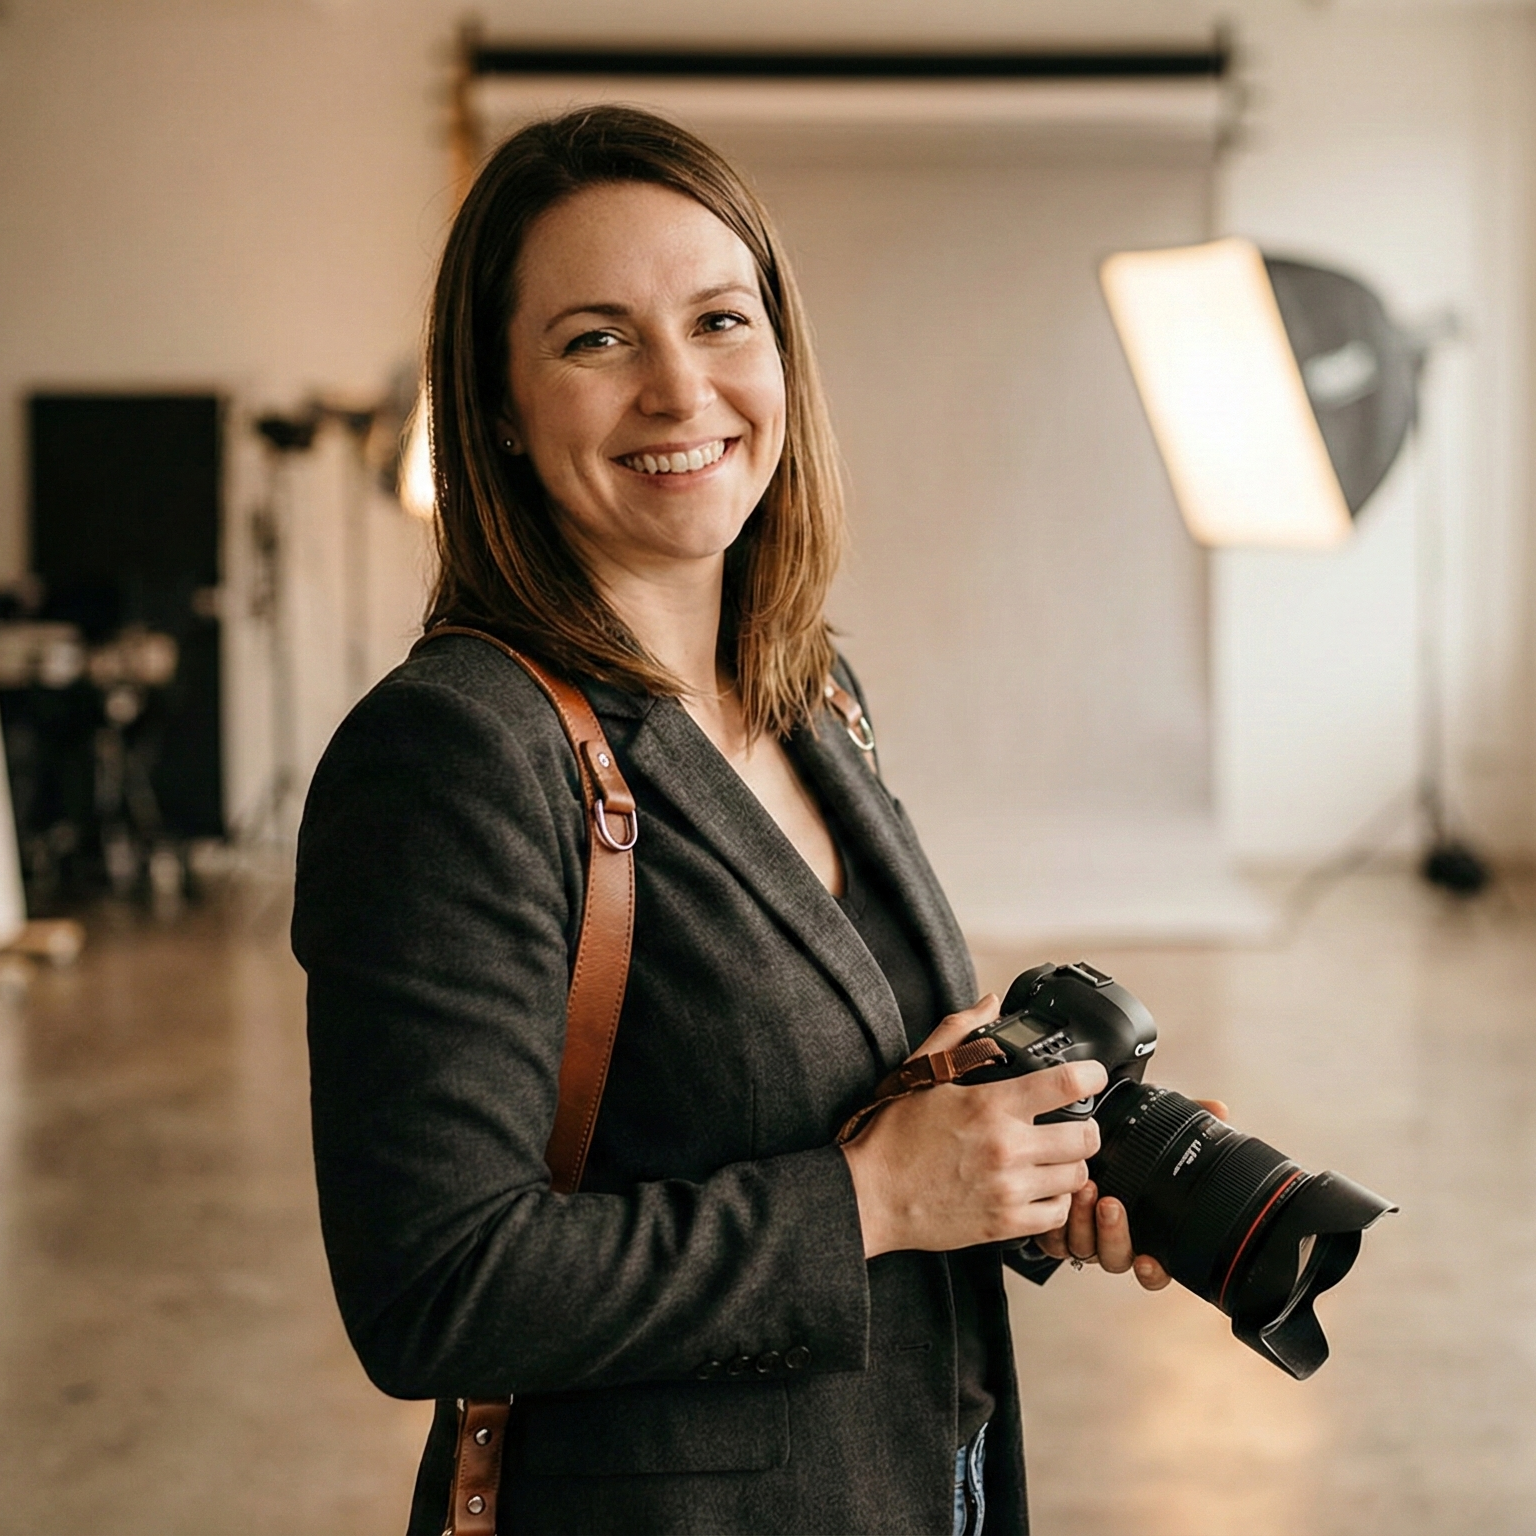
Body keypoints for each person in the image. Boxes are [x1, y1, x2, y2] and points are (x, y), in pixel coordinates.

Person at [294, 105, 1188, 1536]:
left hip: (929, 1480)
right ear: (499, 408)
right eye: (596, 340)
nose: (679, 388)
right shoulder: (457, 752)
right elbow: (436, 1286)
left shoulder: (812, 690)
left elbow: (836, 1108)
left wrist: (1019, 1164)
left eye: (720, 320)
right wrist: (874, 1203)